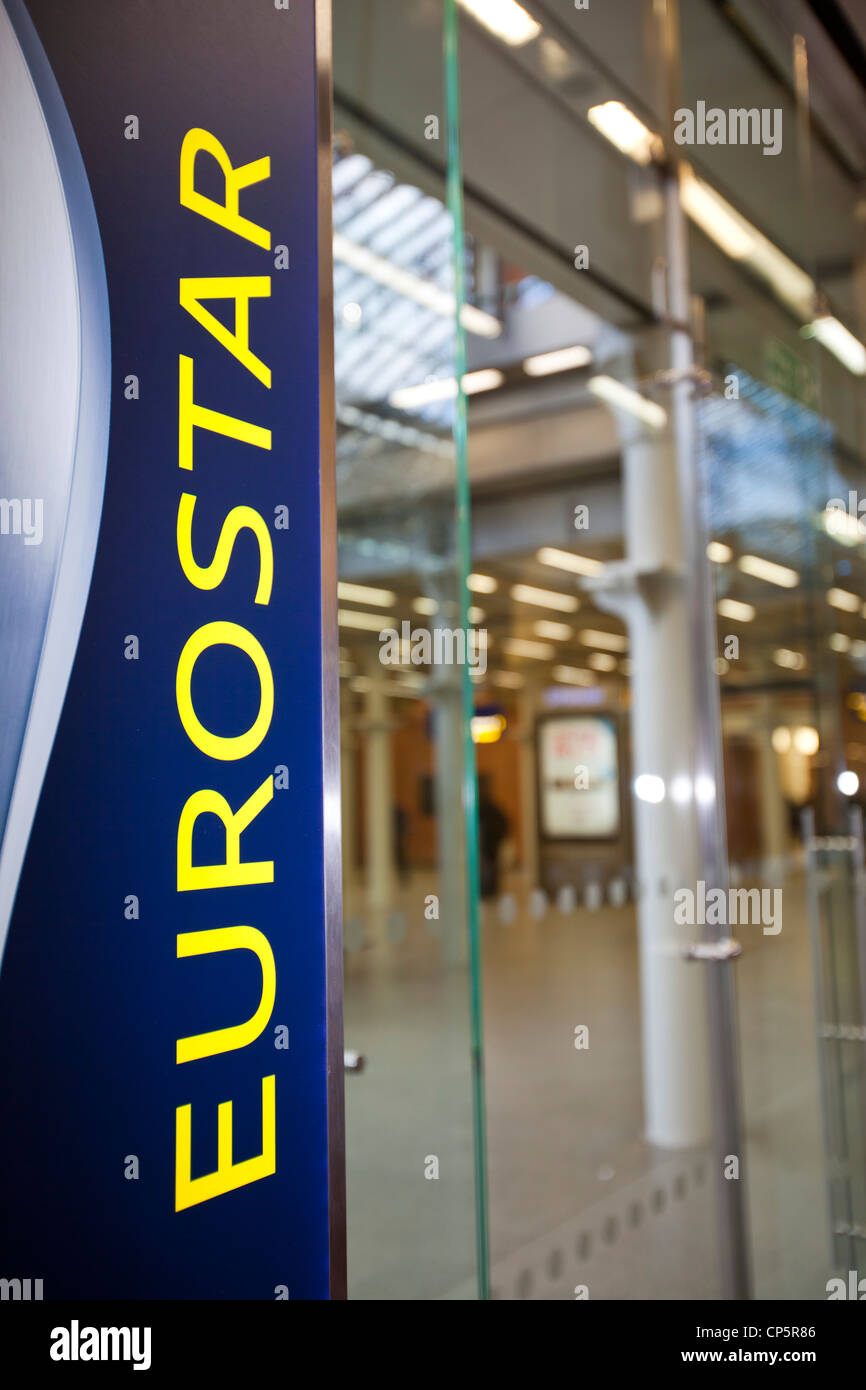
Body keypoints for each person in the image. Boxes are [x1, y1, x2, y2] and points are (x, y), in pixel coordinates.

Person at [477, 786, 509, 899]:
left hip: (489, 843)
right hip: (492, 843)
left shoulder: (484, 809)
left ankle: (487, 889)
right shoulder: (491, 809)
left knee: (488, 867)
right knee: (490, 867)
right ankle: (489, 889)